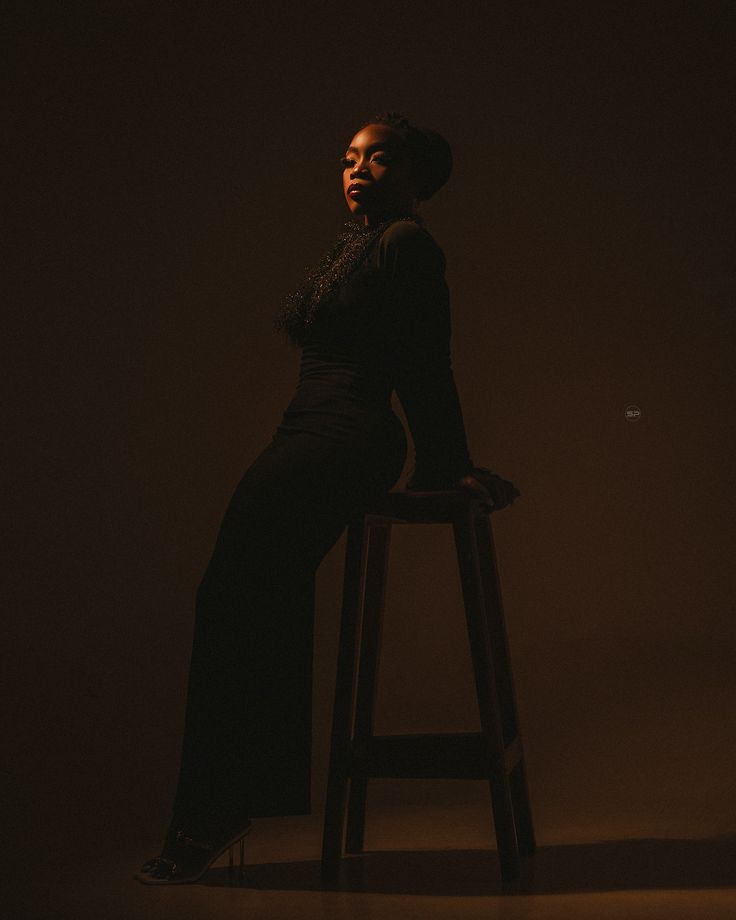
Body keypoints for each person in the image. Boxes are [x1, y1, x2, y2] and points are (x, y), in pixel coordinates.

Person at [135, 111, 520, 884]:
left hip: (348, 438)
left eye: (380, 159)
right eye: (350, 157)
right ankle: (232, 801)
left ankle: (218, 809)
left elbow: (425, 362)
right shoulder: (353, 248)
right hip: (305, 433)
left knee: (236, 594)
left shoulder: (407, 244)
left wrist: (451, 465)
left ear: (416, 178)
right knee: (243, 596)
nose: (359, 168)